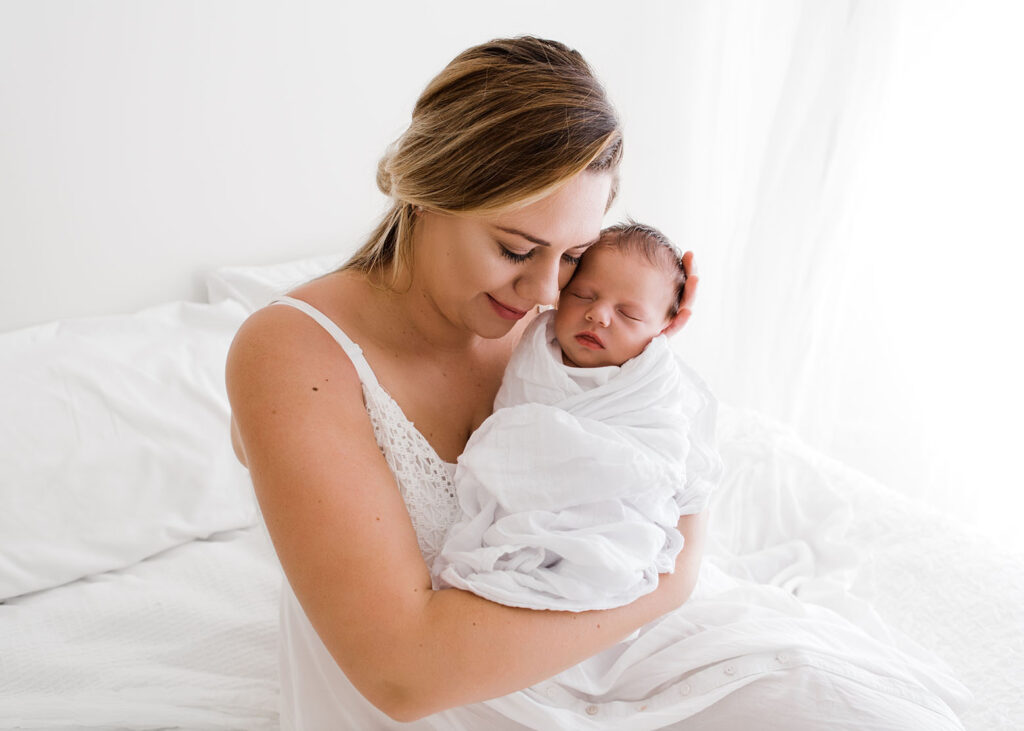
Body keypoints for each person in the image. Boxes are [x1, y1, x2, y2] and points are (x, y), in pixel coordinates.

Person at [226, 36, 969, 729]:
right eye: (517, 248)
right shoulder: (295, 354)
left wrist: (642, 356)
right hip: (453, 691)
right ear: (428, 190)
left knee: (840, 699)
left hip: (613, 638)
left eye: (575, 256)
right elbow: (401, 674)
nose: (548, 291)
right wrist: (668, 581)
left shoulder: (565, 322)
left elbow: (659, 473)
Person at [434, 222, 720, 614]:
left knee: (608, 560)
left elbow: (664, 455)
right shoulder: (536, 349)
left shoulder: (649, 384)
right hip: (526, 508)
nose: (598, 315)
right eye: (583, 295)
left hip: (612, 514)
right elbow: (514, 434)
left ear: (662, 331)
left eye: (629, 314)